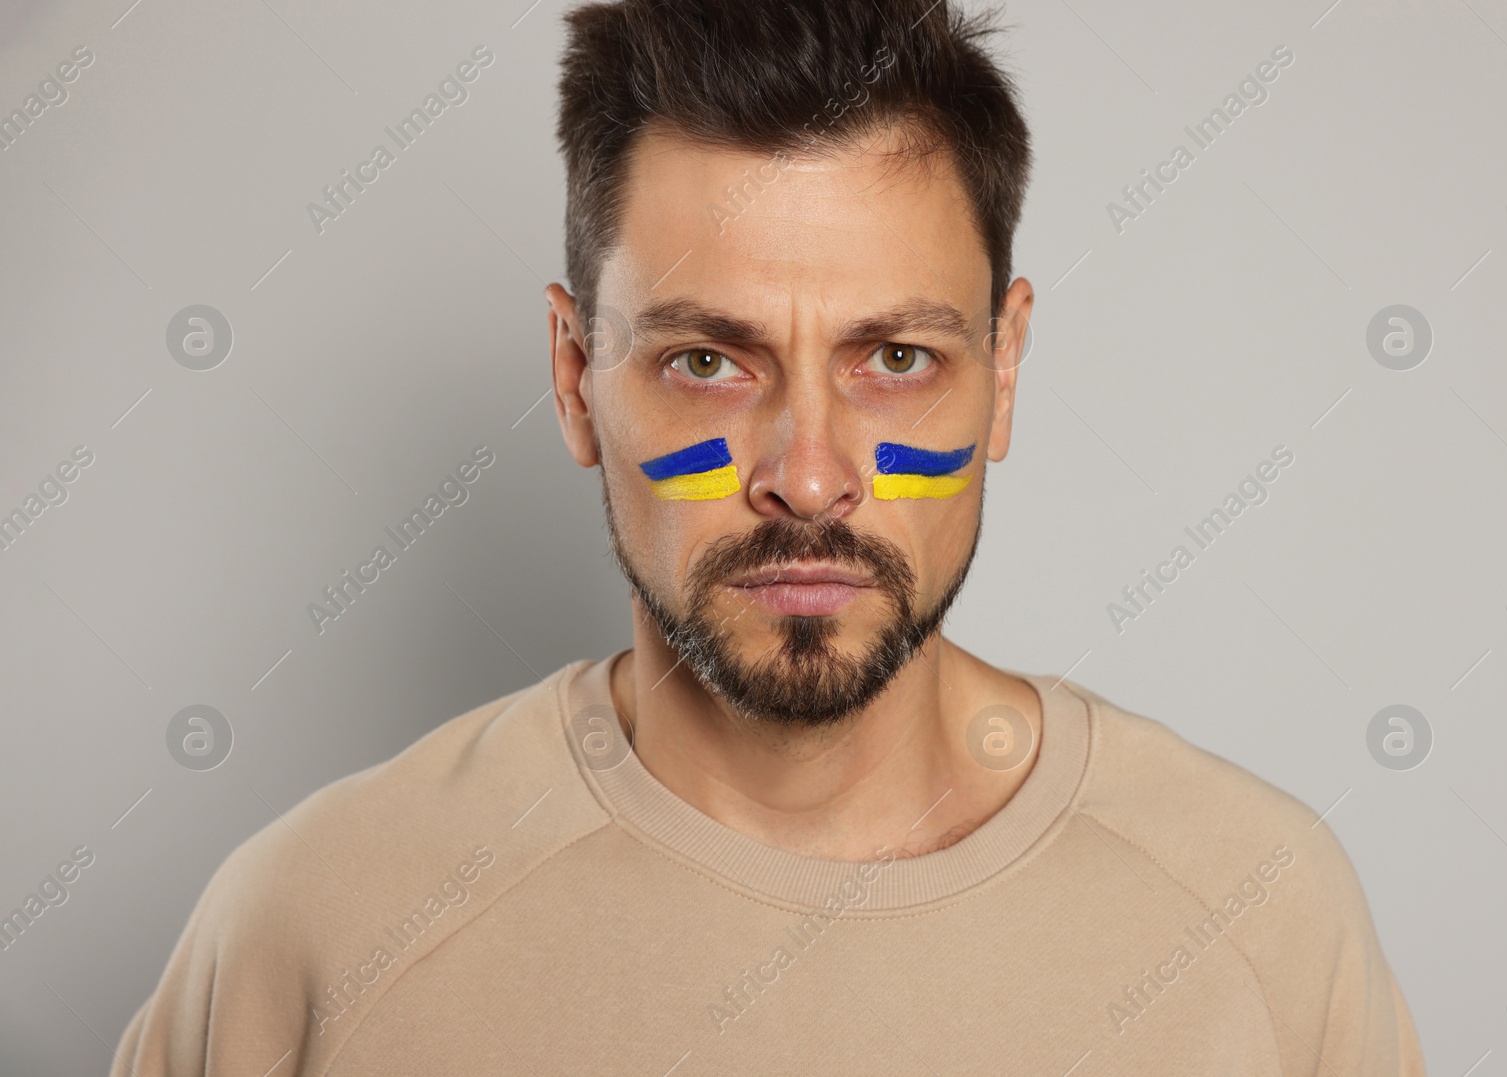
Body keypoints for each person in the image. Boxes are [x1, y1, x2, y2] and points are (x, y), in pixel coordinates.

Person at [112, 0, 1427, 1072]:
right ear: (575, 376)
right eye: (706, 361)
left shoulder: (1261, 913)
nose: (807, 478)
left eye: (897, 355)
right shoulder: (314, 933)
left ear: (1005, 368)